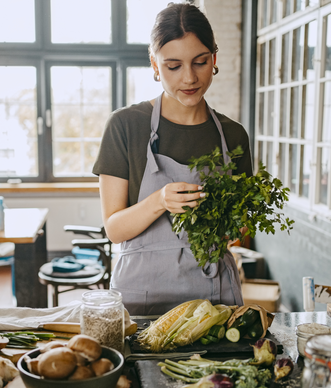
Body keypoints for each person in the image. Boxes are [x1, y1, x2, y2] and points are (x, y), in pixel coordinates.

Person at [92, 3, 252, 315]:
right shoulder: (126, 125)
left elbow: (238, 230)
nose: (190, 78)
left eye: (200, 62)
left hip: (213, 297)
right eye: (173, 66)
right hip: (142, 299)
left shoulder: (233, 136)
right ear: (154, 65)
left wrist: (232, 226)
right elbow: (114, 229)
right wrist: (160, 201)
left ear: (214, 59)